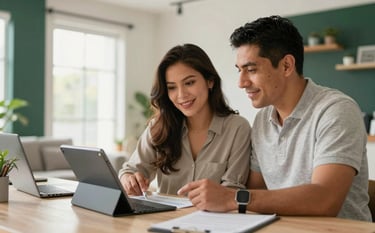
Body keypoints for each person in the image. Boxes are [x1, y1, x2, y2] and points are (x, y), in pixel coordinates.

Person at [178, 16, 372, 221]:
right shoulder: (263, 120)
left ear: (287, 66)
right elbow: (257, 190)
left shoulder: (336, 110)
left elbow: (325, 200)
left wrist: (233, 198)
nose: (241, 83)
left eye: (251, 70)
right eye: (239, 70)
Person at [119, 43, 251, 196]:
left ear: (210, 81)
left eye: (189, 83)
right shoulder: (159, 127)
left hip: (212, 218)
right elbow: (130, 170)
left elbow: (233, 190)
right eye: (172, 87)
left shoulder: (237, 128)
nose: (181, 95)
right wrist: (128, 179)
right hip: (164, 218)